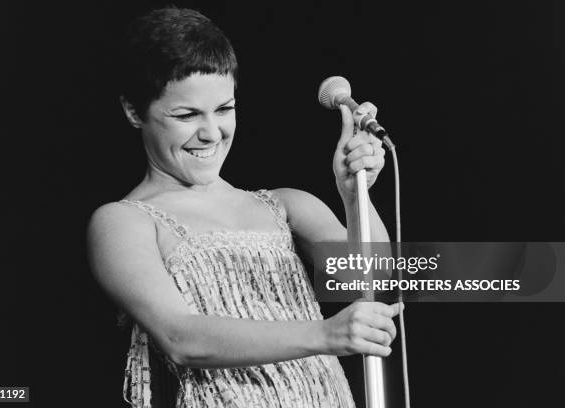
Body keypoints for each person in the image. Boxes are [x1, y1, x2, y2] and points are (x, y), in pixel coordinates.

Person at [87, 7, 401, 408]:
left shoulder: (284, 205)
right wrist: (325, 335)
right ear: (134, 111)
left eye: (224, 109)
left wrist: (356, 195)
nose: (211, 132)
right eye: (186, 115)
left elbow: (372, 278)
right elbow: (183, 338)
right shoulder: (123, 221)